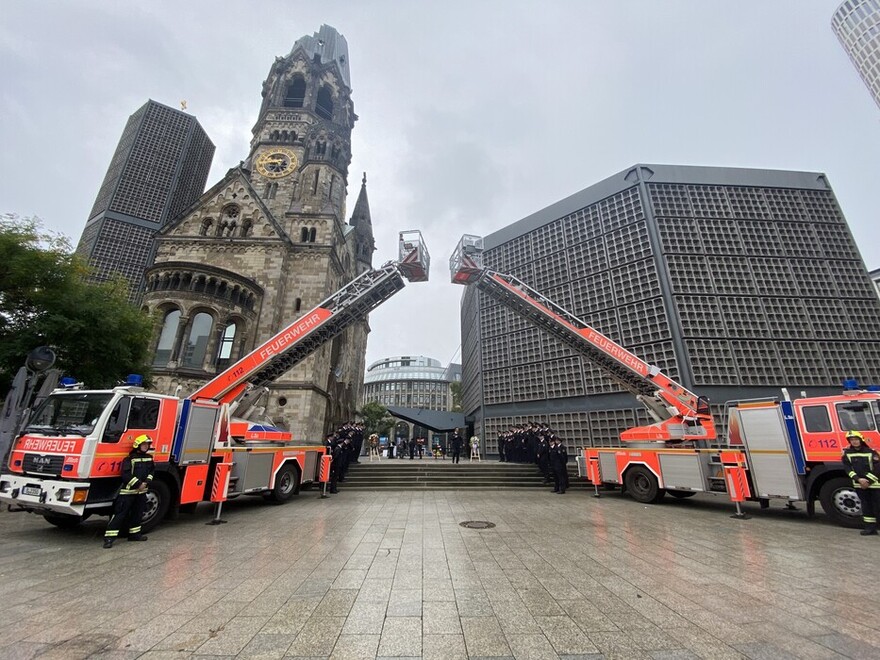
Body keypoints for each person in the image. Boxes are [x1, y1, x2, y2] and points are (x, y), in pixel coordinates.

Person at [103, 433, 155, 548]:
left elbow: (152, 472)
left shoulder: (149, 458)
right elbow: (126, 475)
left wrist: (146, 482)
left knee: (137, 515)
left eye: (147, 445)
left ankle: (135, 535)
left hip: (141, 493)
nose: (146, 447)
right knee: (119, 515)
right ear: (138, 445)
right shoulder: (129, 459)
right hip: (127, 493)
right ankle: (109, 538)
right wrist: (138, 484)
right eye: (144, 445)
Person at [841, 430, 880, 535]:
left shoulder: (871, 452)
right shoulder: (847, 454)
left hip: (875, 484)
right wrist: (858, 479)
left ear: (861, 440)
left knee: (878, 506)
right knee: (866, 506)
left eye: (856, 439)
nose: (854, 442)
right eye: (852, 440)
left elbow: (877, 468)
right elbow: (847, 469)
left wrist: (868, 480)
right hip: (859, 484)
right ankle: (870, 528)